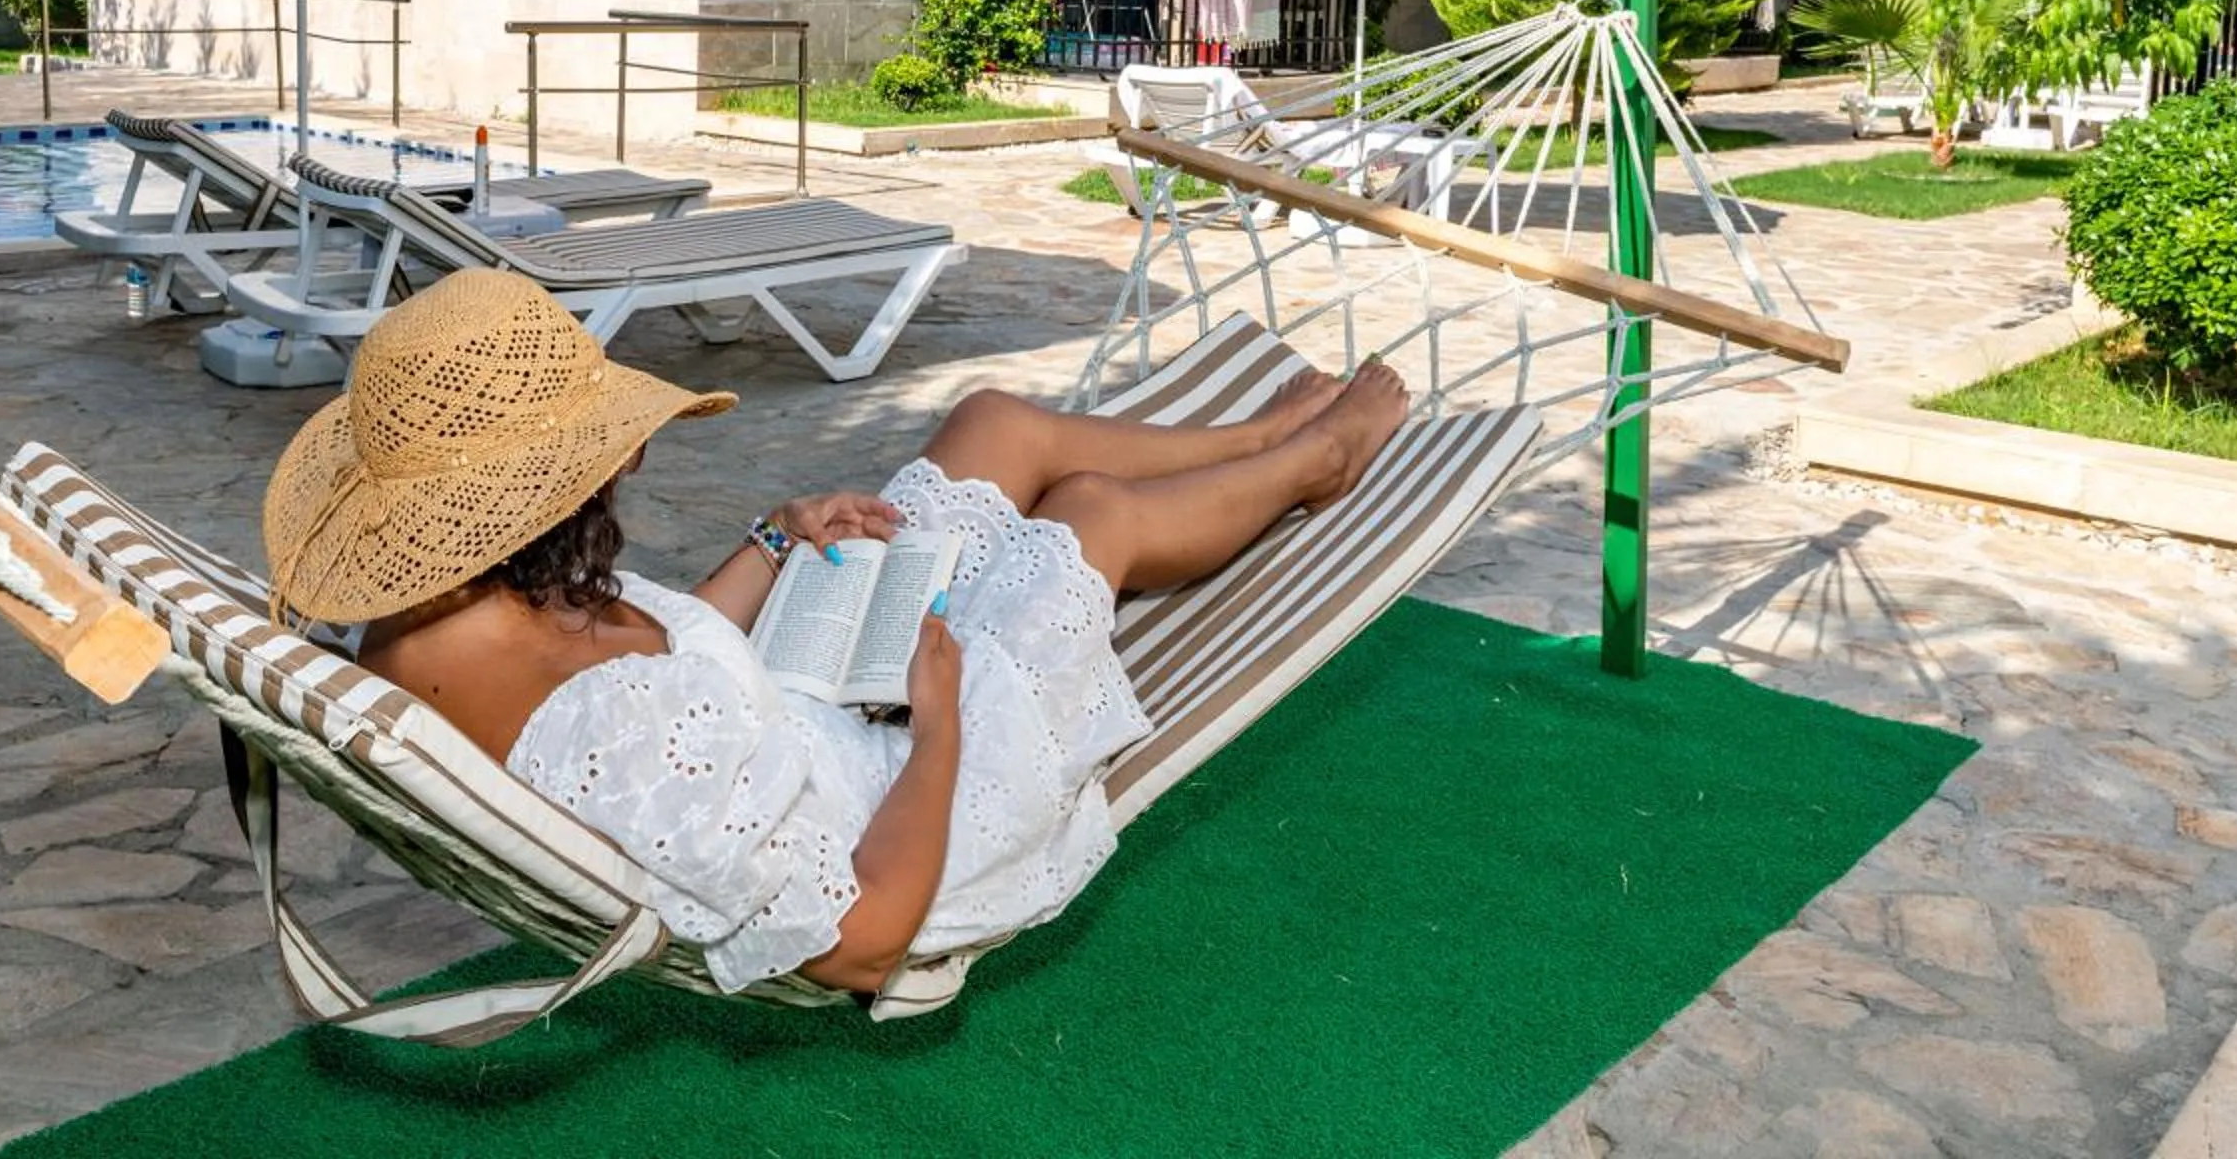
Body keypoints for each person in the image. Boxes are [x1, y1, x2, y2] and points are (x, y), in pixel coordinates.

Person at [264, 269, 1408, 998]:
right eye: (607, 447)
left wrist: (776, 537)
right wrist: (942, 726)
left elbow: (658, 689)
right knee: (1089, 515)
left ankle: (1256, 433)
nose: (634, 457)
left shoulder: (440, 616)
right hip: (909, 809)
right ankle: (1313, 460)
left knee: (991, 425)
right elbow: (859, 938)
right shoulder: (596, 725)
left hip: (798, 715)